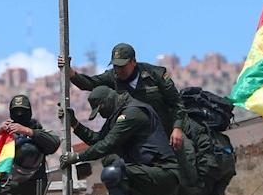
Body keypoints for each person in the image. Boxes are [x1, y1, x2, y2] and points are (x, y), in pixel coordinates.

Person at [60, 86, 207, 195]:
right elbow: (98, 141)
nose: (101, 115)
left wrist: (77, 157)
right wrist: (75, 124)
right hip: (150, 177)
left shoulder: (133, 113)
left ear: (107, 102)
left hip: (162, 173)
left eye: (101, 110)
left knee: (113, 173)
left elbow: (108, 144)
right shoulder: (118, 114)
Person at [59, 43, 188, 151]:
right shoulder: (112, 77)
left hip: (166, 134)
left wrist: (177, 128)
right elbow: (89, 83)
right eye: (115, 66)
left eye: (122, 66)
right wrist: (70, 71)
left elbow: (177, 103)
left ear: (133, 62)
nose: (118, 70)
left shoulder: (155, 74)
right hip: (138, 141)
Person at [173, 114, 216, 195]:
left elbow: (188, 156)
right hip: (213, 168)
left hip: (194, 178)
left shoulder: (180, 132)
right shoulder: (205, 128)